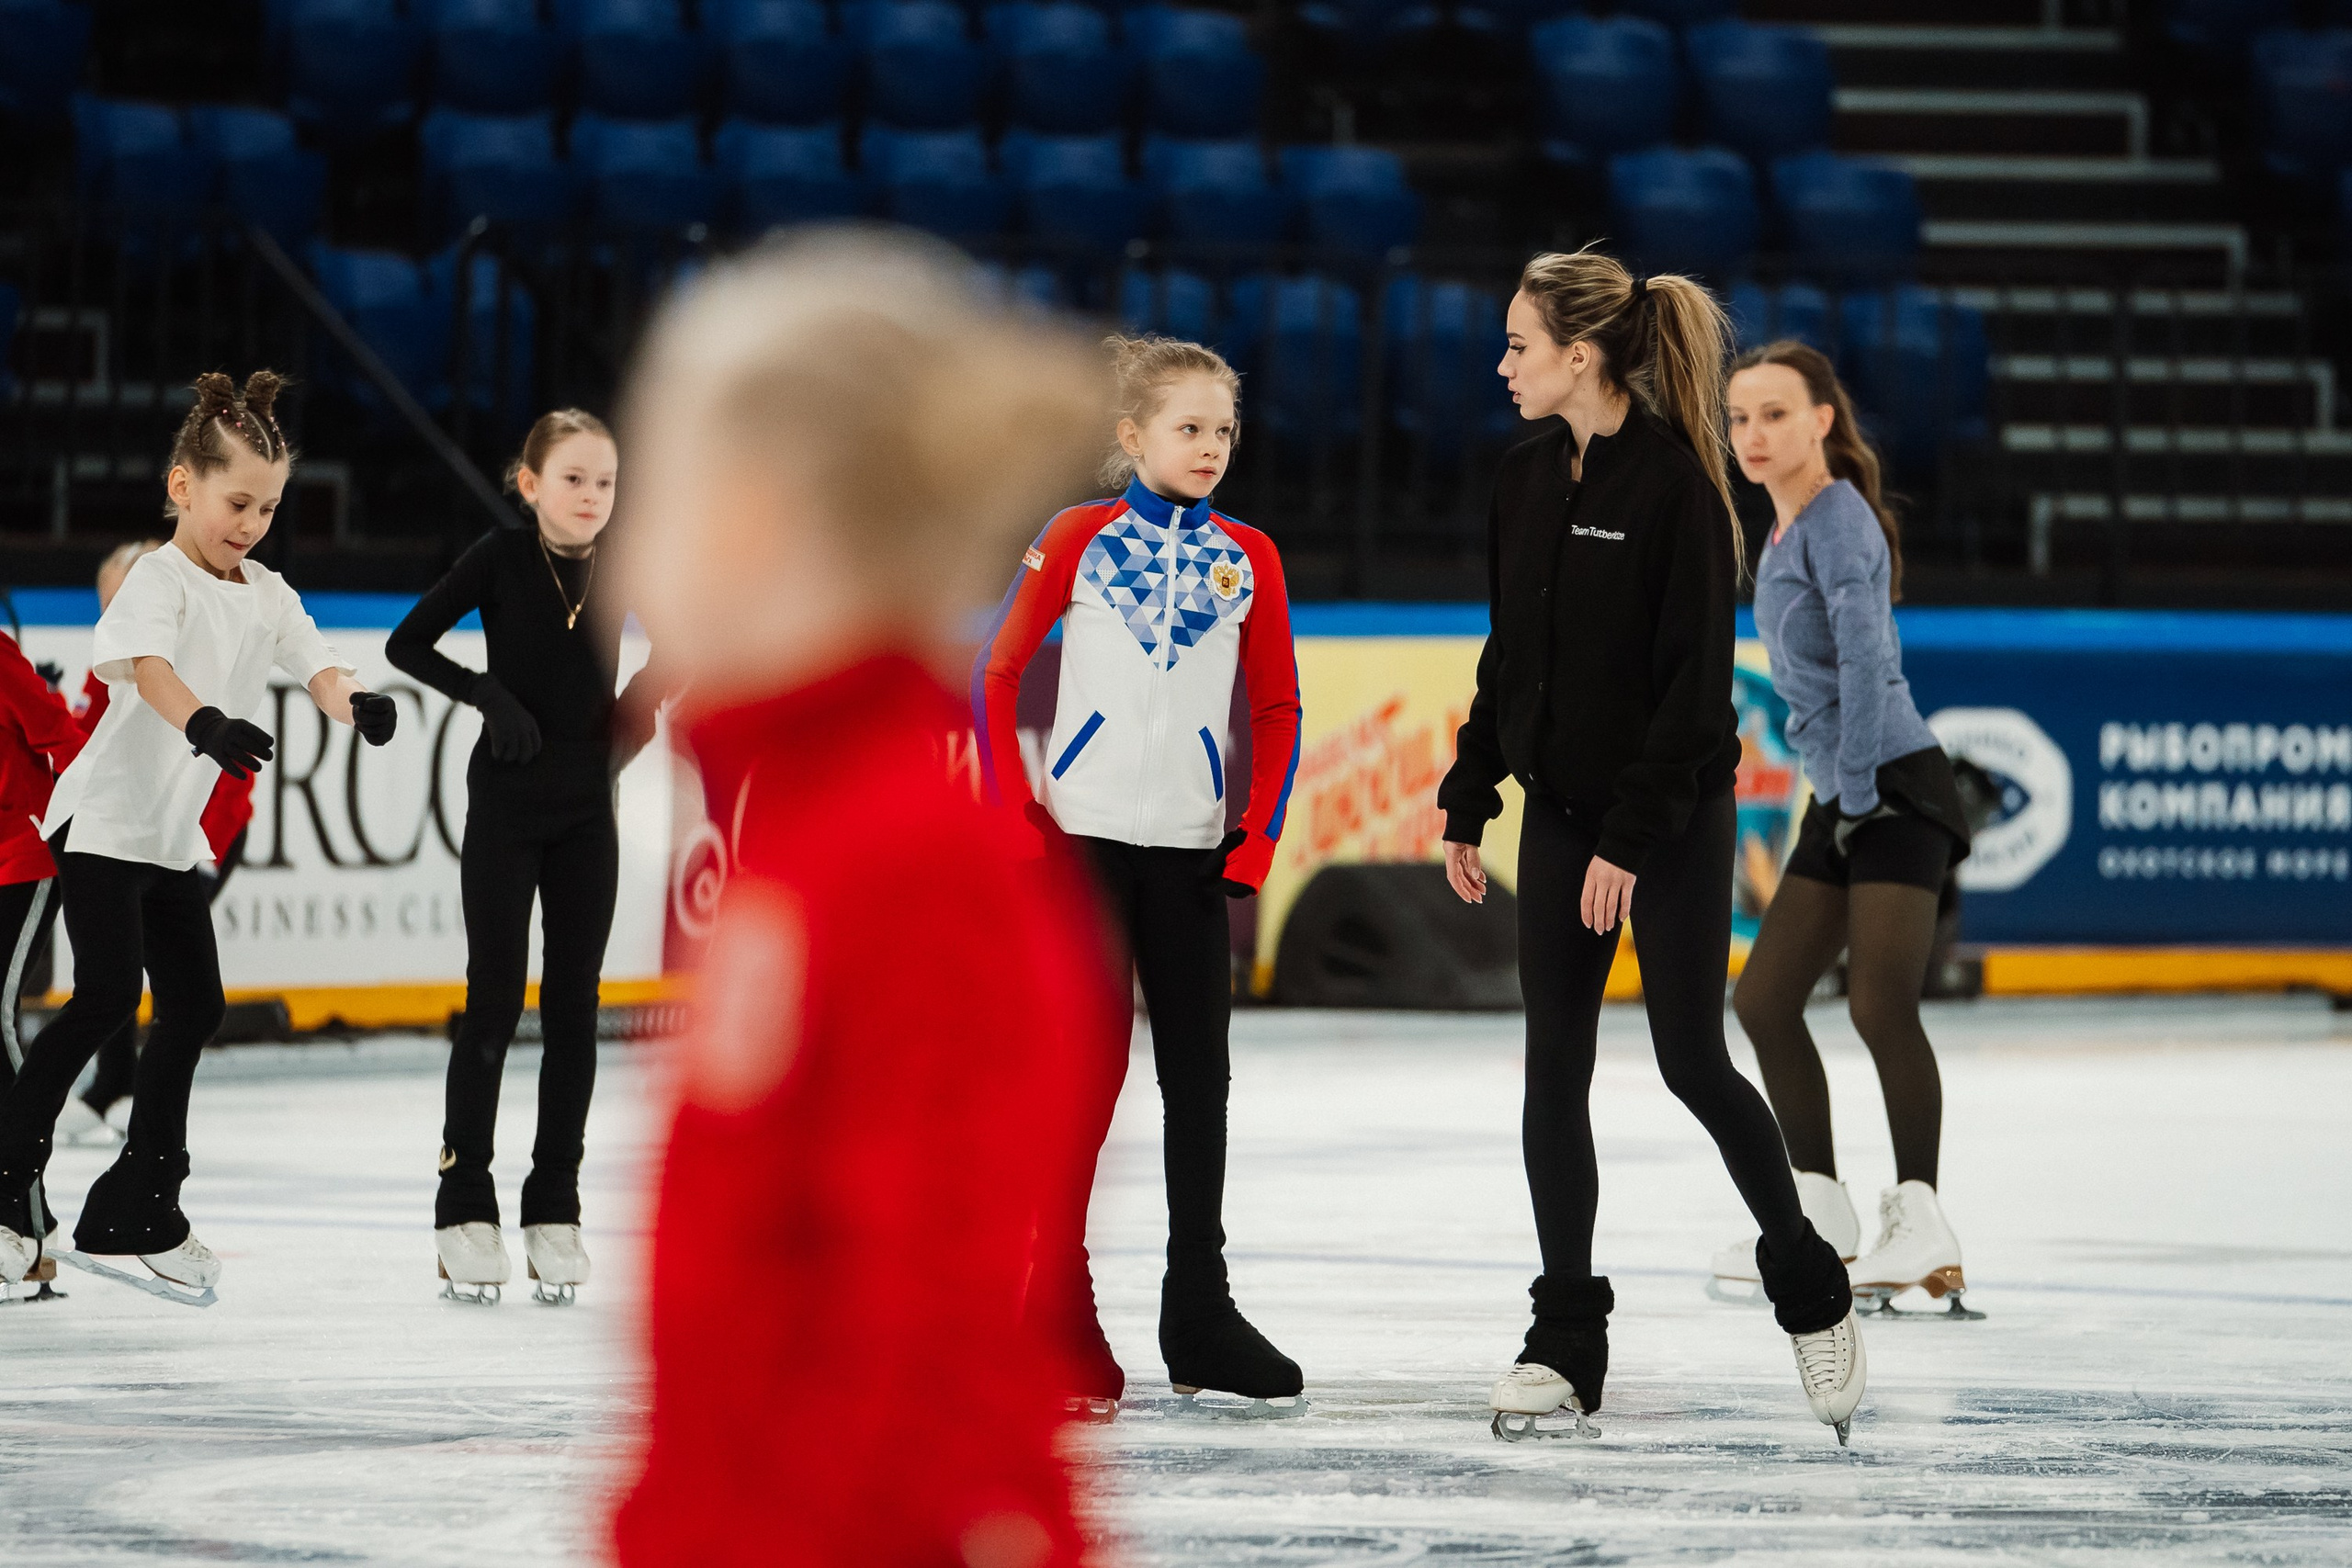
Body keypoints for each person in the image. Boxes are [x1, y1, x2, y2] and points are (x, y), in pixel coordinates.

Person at [608, 231, 1110, 1566]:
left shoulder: (905, 857)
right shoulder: (811, 820)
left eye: (650, 487)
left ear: (749, 513)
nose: (621, 550)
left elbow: (933, 1343)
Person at [1436, 250, 1867, 1444]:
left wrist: (1629, 838)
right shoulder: (1523, 480)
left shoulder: (1676, 487)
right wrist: (1472, 792)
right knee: (1551, 1067)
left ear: (1583, 354)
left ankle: (1809, 1279)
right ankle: (1565, 1337)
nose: (1504, 363)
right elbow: (1508, 655)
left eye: (1520, 343)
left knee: (1690, 1059)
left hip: (1667, 816)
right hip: (1565, 811)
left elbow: (1692, 702)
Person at [0, 370, 398, 1298]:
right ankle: (7, 1181)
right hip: (101, 819)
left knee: (196, 1006)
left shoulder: (265, 592)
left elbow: (317, 662)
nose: (251, 521)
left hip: (169, 836)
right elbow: (146, 667)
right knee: (104, 995)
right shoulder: (157, 577)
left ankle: (137, 1202)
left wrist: (356, 703)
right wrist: (205, 724)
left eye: (266, 506)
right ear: (183, 485)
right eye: (235, 501)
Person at [973, 333, 1306, 1415]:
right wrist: (1013, 807)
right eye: (1188, 428)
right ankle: (1050, 1303)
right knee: (1082, 1077)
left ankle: (1197, 1310)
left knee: (1197, 1083)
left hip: (1189, 854)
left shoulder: (1251, 554)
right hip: (1082, 847)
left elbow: (1276, 709)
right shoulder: (1076, 535)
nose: (1210, 447)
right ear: (1132, 438)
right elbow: (999, 668)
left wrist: (1250, 836)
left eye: (1224, 431)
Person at [1714, 341, 1977, 1320]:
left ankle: (1923, 1219)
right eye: (1740, 418)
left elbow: (1868, 665)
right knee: (1765, 998)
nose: (1752, 435)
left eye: (1774, 414)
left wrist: (1859, 792)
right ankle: (1815, 1211)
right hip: (1849, 792)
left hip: (1893, 787)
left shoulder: (1836, 520)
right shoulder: (1786, 534)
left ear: (1822, 419)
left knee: (1878, 1006)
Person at [387, 409, 662, 1306]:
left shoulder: (628, 566)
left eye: (606, 482)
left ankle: (556, 1205)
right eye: (574, 479)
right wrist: (485, 694)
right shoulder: (500, 557)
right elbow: (407, 642)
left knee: (575, 1008)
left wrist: (642, 704)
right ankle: (464, 1201)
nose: (591, 497)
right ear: (531, 483)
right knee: (496, 1001)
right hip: (505, 807)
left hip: (590, 812)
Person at [54, 540, 260, 1147]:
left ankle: (120, 1089)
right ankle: (115, 1085)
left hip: (192, 838)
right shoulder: (114, 664)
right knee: (115, 960)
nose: (112, 619)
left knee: (158, 970)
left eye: (121, 603)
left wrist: (195, 855)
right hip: (132, 830)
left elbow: (227, 784)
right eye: (105, 606)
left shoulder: (198, 660)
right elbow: (89, 750)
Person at [0, 621, 87, 1296]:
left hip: (24, 864)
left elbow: (63, 734)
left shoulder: (0, 658)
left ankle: (22, 1219)